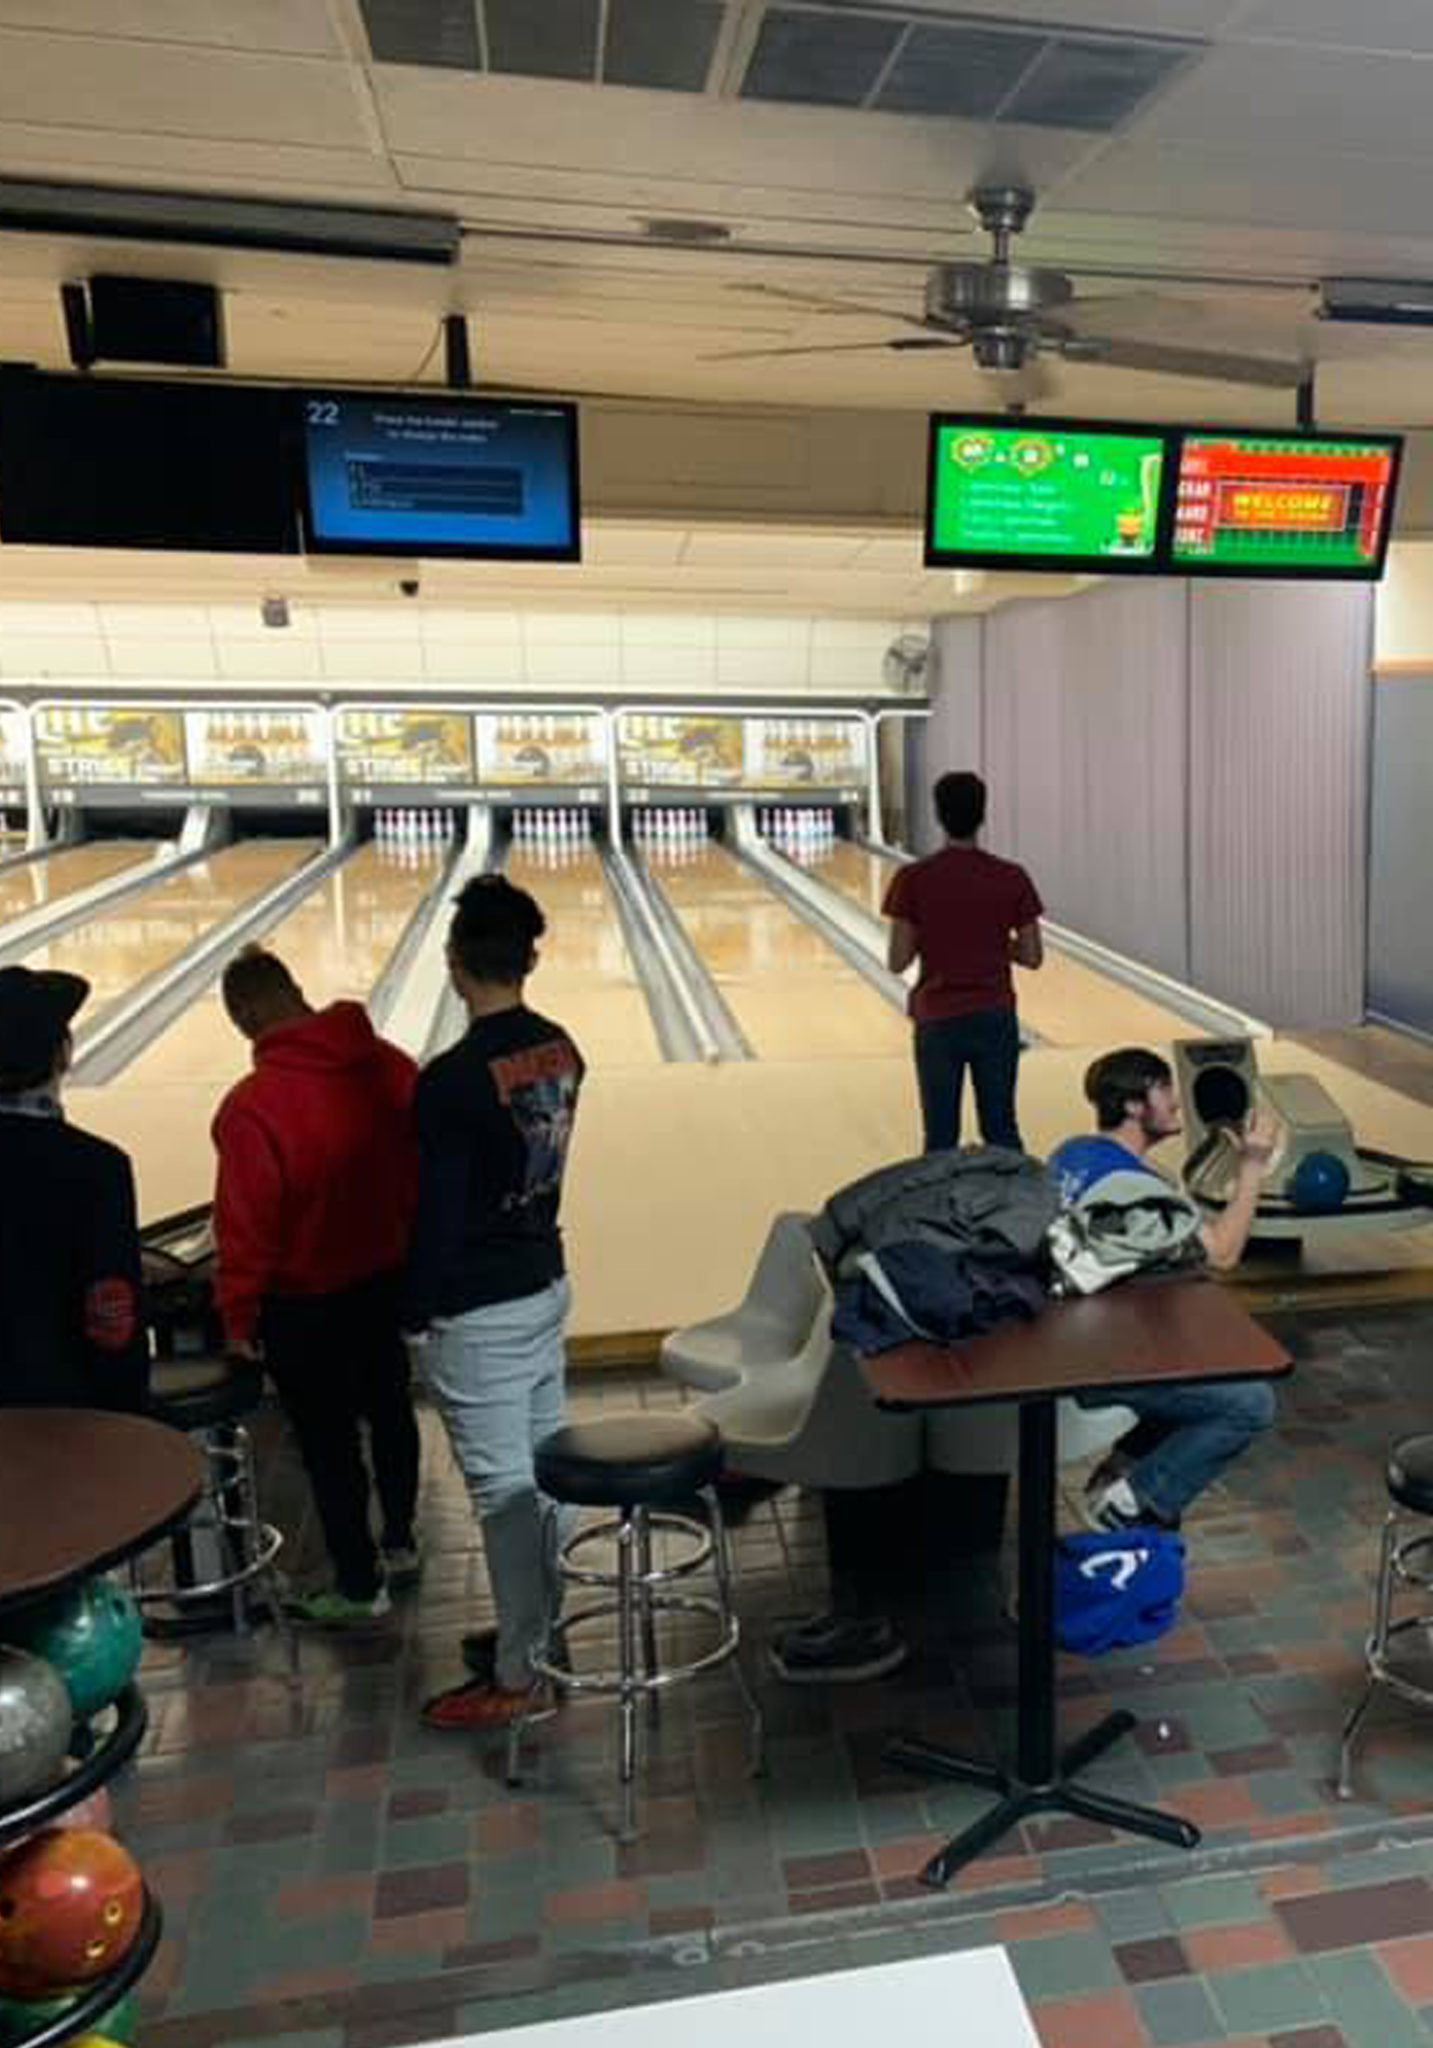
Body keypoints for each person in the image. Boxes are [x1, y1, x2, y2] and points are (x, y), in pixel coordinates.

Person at [405, 876, 585, 1732]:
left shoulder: (448, 1081)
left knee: (506, 1495)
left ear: (452, 964)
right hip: (544, 1284)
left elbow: (436, 1217)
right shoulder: (561, 1047)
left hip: (478, 1310)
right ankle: (543, 1633)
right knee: (542, 1477)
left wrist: (412, 1310)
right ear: (531, 957)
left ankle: (521, 1675)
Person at [212, 947, 421, 1626]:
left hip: (305, 1304)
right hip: (387, 1278)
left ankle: (359, 1588)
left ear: (243, 1016)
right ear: (296, 987)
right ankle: (401, 1542)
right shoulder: (389, 1064)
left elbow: (247, 1228)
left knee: (329, 1447)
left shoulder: (252, 1107)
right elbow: (426, 1172)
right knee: (392, 1413)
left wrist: (237, 1318)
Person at [1047, 1047, 1280, 1533]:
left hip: (1062, 1341)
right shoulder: (1139, 1186)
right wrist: (1252, 1166)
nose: (1177, 1100)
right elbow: (1223, 1254)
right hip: (1098, 1365)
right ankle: (1129, 1503)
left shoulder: (1071, 1154)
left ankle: (1120, 1469)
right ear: (1134, 1106)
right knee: (1251, 1403)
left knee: (1195, 1351)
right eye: (1165, 1088)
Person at [0, 966, 147, 1412]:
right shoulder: (98, 1168)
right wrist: (127, 1408)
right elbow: (111, 1316)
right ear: (64, 1054)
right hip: (69, 1411)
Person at [883, 771, 1043, 1154]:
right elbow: (1033, 957)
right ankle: (1018, 1209)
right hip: (994, 1017)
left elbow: (896, 960)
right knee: (1001, 1129)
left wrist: (939, 937)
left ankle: (938, 1213)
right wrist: (992, 942)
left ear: (938, 814)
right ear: (983, 814)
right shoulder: (1011, 876)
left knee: (940, 1137)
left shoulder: (913, 879)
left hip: (938, 1021)